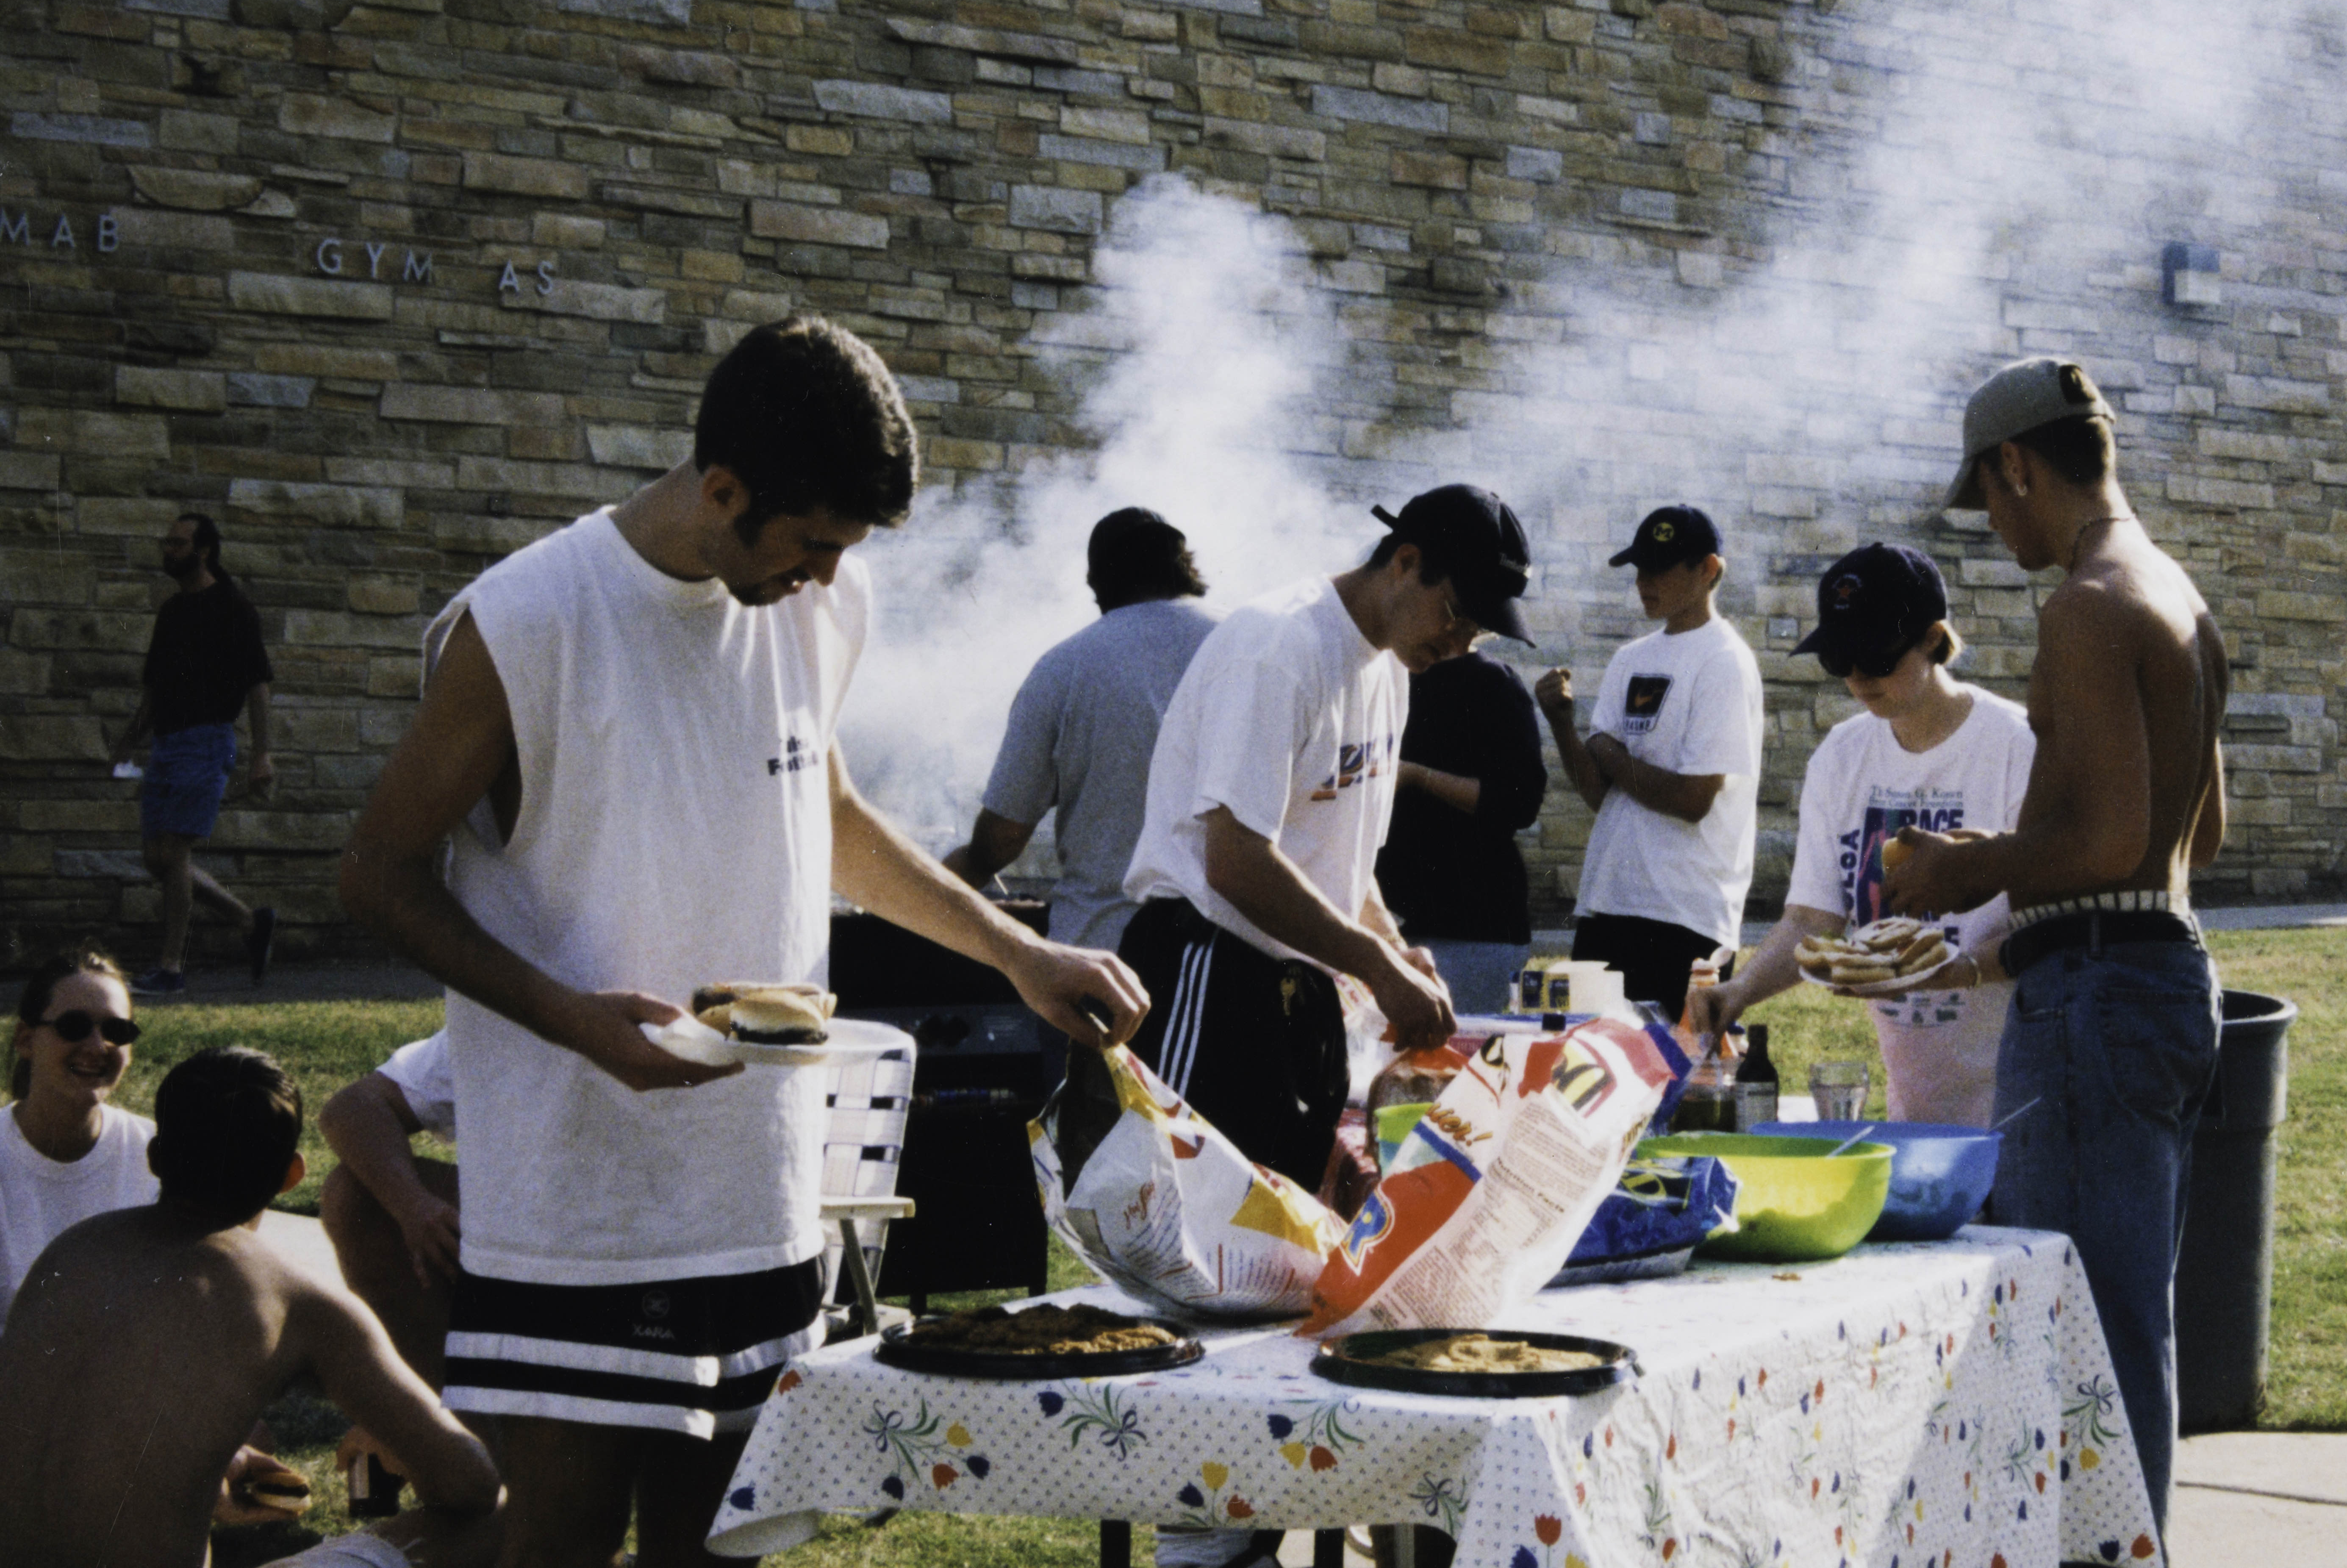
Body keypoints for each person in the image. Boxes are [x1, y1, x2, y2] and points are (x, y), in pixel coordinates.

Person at [336, 314, 1150, 1568]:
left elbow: (823, 812)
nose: (825, 577)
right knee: (547, 1544)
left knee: (720, 1554)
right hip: (576, 1214)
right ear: (722, 488)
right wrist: (572, 1018)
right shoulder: (527, 622)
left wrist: (1017, 954)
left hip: (761, 1196)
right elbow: (376, 872)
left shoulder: (820, 601)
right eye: (811, 543)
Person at [1120, 483, 1526, 1568]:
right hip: (1212, 965)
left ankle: (1256, 1523)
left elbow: (1341, 859)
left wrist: (1394, 948)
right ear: (1404, 560)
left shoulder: (1388, 672)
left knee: (1293, 1263)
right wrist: (1371, 963)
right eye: (1457, 608)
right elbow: (1235, 860)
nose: (1462, 638)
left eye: (1481, 624)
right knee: (1209, 1264)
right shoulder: (1279, 644)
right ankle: (1196, 1539)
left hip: (1297, 987)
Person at [1880, 356, 2228, 1539]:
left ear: (2016, 465)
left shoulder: (2083, 604)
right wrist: (2014, 844)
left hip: (2095, 994)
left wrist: (1954, 869)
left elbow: (2107, 839)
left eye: (1988, 498)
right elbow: (2195, 831)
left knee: (2076, 1329)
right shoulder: (2176, 591)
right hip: (2165, 975)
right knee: (2128, 1319)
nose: (1993, 524)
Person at [0, 1045, 503, 1568]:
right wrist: (406, 1445)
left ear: (156, 1156)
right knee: (502, 1517)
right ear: (292, 1175)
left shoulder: (73, 1251)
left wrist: (217, 1459)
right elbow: (473, 1484)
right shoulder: (291, 1296)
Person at [1690, 544, 2035, 1127]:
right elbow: (1811, 919)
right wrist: (1739, 990)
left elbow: (2045, 928)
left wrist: (1951, 970)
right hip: (1914, 1098)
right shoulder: (1842, 756)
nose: (1855, 678)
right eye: (1838, 659)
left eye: (1873, 657)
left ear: (1932, 638)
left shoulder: (2015, 744)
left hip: (2019, 1086)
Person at [947, 506, 1219, 953]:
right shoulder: (1248, 647)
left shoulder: (1064, 667)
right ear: (1185, 568)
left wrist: (919, 898)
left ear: (1097, 584)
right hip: (1234, 963)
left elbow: (998, 843)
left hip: (1103, 954)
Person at [1534, 503, 1764, 1022]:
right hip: (1609, 899)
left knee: (1674, 1084)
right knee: (1586, 1075)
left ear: (1708, 570)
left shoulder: (1724, 660)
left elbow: (1692, 799)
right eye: (1639, 568)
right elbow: (1600, 793)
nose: (1643, 581)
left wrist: (1612, 753)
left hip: (1685, 913)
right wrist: (1563, 723)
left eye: (1659, 568)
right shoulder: (1630, 658)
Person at [112, 510, 277, 994]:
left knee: (176, 854)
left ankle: (170, 968)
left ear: (204, 550)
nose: (168, 550)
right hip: (167, 743)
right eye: (166, 543)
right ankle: (249, 920)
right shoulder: (172, 611)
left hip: (207, 742)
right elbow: (154, 691)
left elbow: (258, 685)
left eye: (178, 544)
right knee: (157, 859)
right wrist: (128, 740)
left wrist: (262, 754)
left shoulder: (232, 606)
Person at [1375, 638, 1549, 1015]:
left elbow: (1519, 802)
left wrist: (1418, 776)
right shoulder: (1385, 675)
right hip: (1390, 915)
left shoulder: (1494, 683)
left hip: (1472, 924)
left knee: (1450, 1058)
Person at [2, 947, 161, 1319]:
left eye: (116, 1030)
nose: (96, 1046)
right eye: (73, 1027)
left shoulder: (159, 1155)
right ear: (26, 1039)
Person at [319, 1028, 461, 1392]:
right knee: (357, 1196)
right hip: (521, 1229)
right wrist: (414, 1205)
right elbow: (352, 1107)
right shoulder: (498, 1021)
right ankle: (431, 1411)